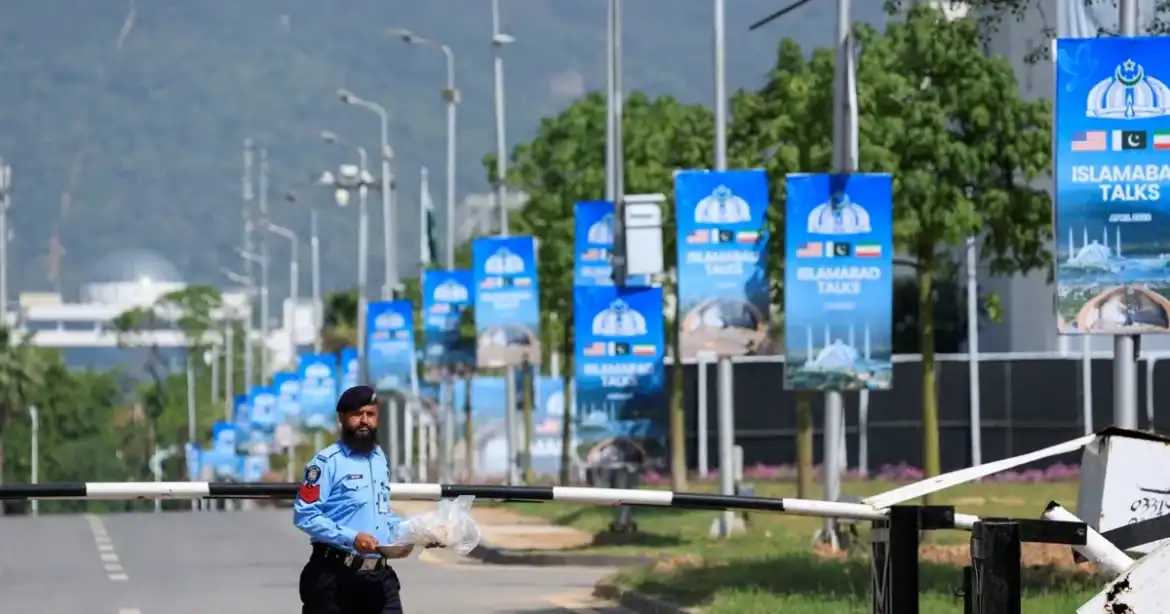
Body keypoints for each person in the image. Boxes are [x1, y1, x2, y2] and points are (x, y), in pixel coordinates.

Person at [293, 385, 405, 614]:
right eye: (357, 414)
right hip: (335, 578)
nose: (364, 421)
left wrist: (418, 532)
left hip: (378, 578)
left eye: (370, 414)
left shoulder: (379, 458)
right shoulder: (326, 462)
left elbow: (382, 512)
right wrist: (352, 538)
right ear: (341, 418)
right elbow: (305, 515)